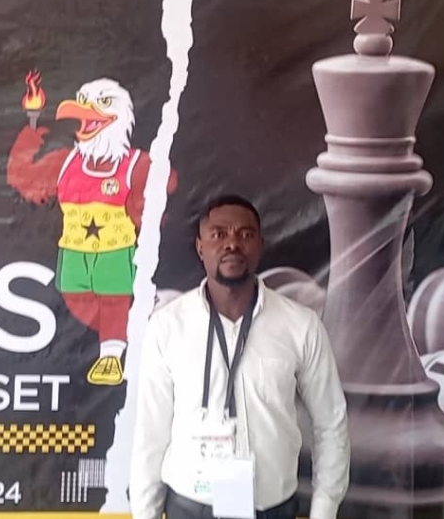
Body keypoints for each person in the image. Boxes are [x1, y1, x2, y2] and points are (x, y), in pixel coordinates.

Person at [129, 194, 350, 519]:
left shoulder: (300, 325)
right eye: (218, 234)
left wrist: (324, 510)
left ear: (260, 245)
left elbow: (330, 422)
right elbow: (151, 431)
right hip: (190, 509)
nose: (232, 243)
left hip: (272, 510)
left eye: (245, 234)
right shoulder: (167, 326)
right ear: (200, 247)